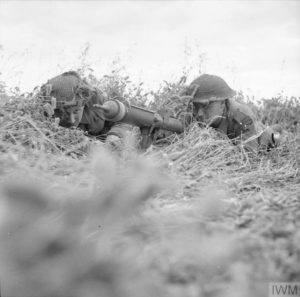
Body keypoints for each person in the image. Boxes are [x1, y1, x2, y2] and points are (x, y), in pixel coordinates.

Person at [179, 74, 282, 152]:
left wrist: (216, 150)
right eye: (196, 106)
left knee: (273, 137)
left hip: (260, 137)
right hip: (238, 135)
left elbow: (249, 154)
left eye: (206, 106)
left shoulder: (242, 116)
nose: (199, 113)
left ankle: (278, 130)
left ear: (222, 103)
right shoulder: (194, 113)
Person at [38, 71, 131, 148]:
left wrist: (114, 135)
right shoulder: (44, 110)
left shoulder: (97, 101)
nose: (72, 120)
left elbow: (123, 118)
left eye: (76, 111)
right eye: (65, 114)